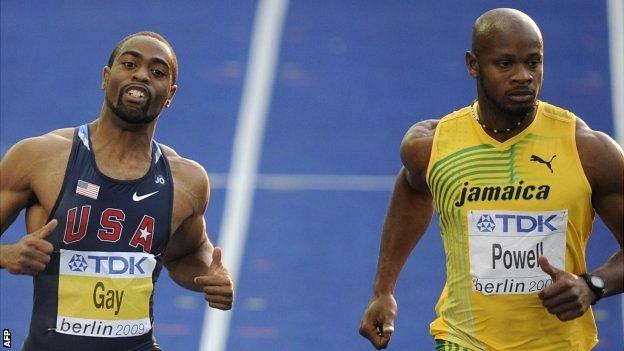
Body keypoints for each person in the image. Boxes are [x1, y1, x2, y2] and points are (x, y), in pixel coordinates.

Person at [359, 8, 623, 350]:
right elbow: (412, 189)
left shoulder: (587, 150)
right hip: (463, 341)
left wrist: (593, 285)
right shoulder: (433, 146)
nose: (523, 76)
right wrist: (383, 290)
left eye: (533, 62)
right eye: (505, 64)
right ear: (473, 65)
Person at [0, 31, 234, 350]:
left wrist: (211, 278)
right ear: (106, 77)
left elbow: (187, 256)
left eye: (157, 71)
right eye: (129, 63)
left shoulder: (187, 181)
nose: (141, 74)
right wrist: (7, 254)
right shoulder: (39, 158)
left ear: (170, 95)